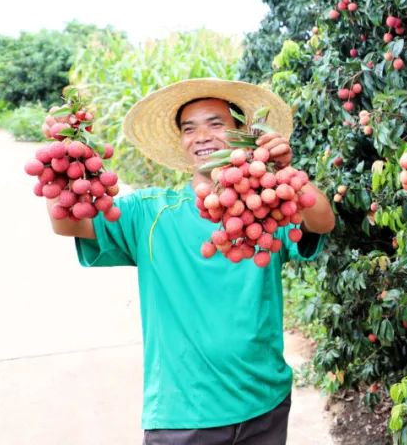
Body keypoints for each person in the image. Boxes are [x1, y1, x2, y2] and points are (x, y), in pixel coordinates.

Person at [46, 78, 335, 444]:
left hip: (265, 402)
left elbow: (322, 220)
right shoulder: (149, 212)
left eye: (216, 124)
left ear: (242, 134)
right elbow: (70, 223)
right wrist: (63, 159)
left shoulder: (266, 208)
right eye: (189, 128)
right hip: (182, 415)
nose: (202, 135)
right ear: (182, 143)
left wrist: (283, 172)